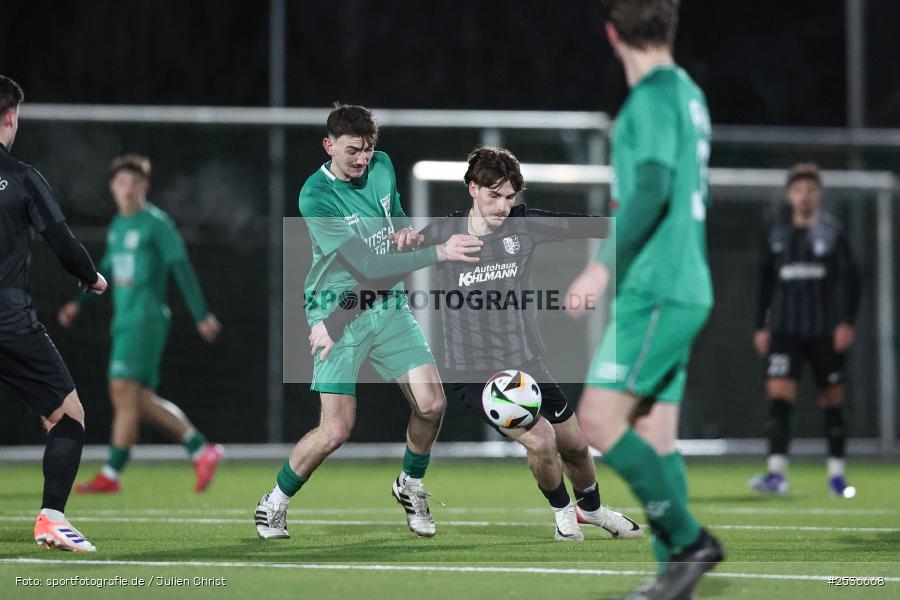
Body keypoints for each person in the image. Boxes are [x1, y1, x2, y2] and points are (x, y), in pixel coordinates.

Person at [321, 146, 643, 542]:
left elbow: (594, 226)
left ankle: (591, 510)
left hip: (528, 361)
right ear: (472, 189)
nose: (504, 205)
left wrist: (637, 212)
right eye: (494, 195)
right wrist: (335, 321)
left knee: (575, 445)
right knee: (541, 441)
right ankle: (564, 515)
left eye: (510, 197)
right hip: (475, 373)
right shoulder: (442, 233)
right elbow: (383, 277)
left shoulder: (526, 225)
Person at [254, 103, 481, 540]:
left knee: (432, 404)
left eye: (368, 149)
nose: (362, 159)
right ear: (329, 145)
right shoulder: (315, 196)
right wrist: (438, 251)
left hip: (387, 305)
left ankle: (410, 485)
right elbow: (367, 268)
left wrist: (404, 232)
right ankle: (274, 502)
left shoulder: (382, 165)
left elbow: (395, 214)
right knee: (336, 430)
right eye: (353, 150)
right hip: (338, 310)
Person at [564, 1, 723, 597]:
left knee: (599, 420)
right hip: (686, 283)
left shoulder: (650, 99)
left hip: (655, 287)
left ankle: (688, 542)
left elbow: (652, 189)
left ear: (610, 33)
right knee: (656, 435)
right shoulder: (688, 92)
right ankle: (674, 578)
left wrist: (601, 269)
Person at [59, 154, 224, 494]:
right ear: (112, 188)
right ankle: (198, 449)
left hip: (145, 320)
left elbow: (181, 267)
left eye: (134, 184)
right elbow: (103, 275)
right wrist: (78, 304)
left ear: (145, 187)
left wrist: (201, 314)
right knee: (134, 398)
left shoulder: (157, 224)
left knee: (123, 391)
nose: (127, 190)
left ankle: (113, 472)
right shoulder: (118, 226)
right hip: (125, 320)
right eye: (121, 183)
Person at [0, 75, 107, 551]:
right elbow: (64, 246)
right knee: (68, 417)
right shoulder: (22, 178)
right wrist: (92, 277)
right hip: (9, 322)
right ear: (9, 116)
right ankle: (51, 518)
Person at [749, 162, 861, 498]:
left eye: (811, 191)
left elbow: (853, 279)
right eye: (798, 191)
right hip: (785, 330)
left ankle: (837, 478)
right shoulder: (777, 233)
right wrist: (760, 326)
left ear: (819, 195)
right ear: (790, 195)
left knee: (832, 403)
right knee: (779, 400)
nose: (804, 197)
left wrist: (847, 321)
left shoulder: (833, 231)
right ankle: (776, 475)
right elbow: (764, 283)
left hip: (824, 330)